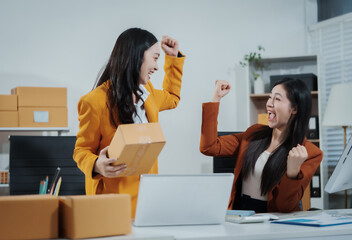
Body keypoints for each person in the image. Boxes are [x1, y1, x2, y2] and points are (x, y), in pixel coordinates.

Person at [73, 28, 185, 217]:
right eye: (155, 58)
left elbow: (172, 98)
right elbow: (81, 150)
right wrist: (96, 165)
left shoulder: (147, 93)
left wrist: (172, 58)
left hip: (146, 201)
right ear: (136, 56)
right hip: (111, 202)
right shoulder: (95, 101)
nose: (157, 67)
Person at [200, 78, 322, 213]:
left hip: (273, 222)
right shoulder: (254, 134)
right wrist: (215, 99)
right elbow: (209, 146)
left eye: (277, 99)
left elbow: (284, 207)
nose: (269, 104)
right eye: (270, 97)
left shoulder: (309, 153)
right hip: (240, 216)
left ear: (294, 109)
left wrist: (292, 173)